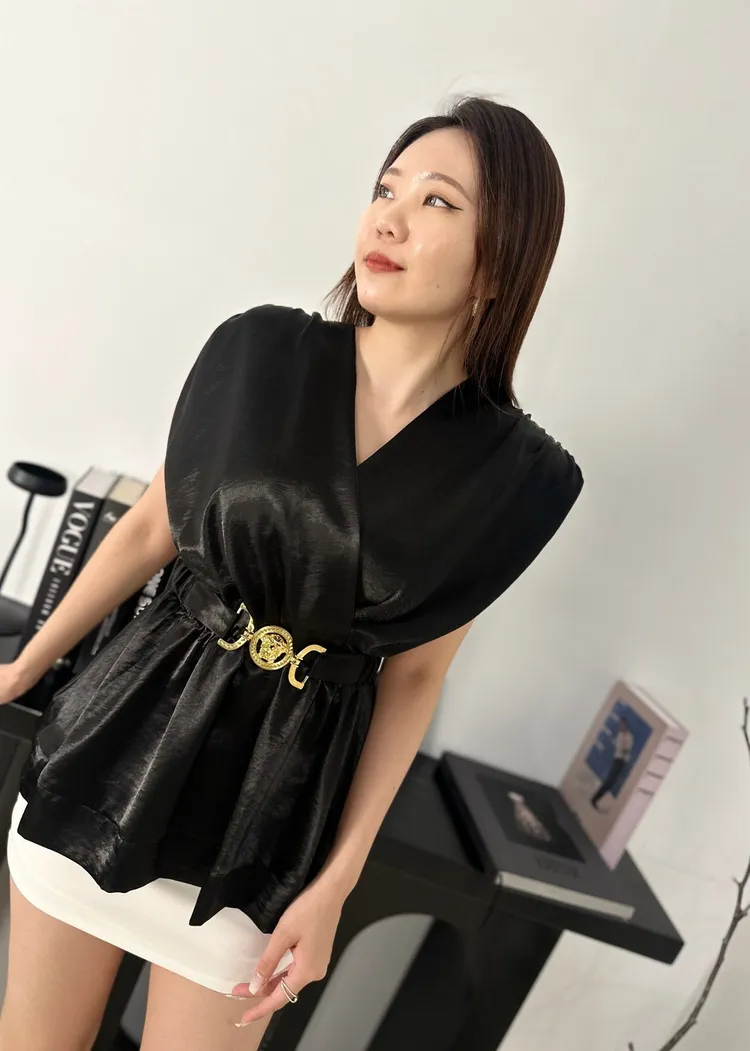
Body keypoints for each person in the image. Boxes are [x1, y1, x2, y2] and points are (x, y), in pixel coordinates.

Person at [0, 95, 584, 1050]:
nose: (388, 219)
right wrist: (27, 666)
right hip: (115, 745)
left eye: (436, 202)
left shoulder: (515, 478)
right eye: (385, 189)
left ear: (504, 256)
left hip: (268, 822)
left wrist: (337, 882)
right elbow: (150, 527)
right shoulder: (259, 352)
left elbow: (417, 676)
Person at [590, 717, 634, 808]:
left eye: (622, 724)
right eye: (620, 725)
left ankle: (595, 799)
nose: (620, 726)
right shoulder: (620, 735)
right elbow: (617, 747)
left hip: (621, 760)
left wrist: (623, 751)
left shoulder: (628, 736)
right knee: (609, 781)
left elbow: (627, 749)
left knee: (611, 782)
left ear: (625, 725)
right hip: (617, 760)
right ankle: (595, 799)